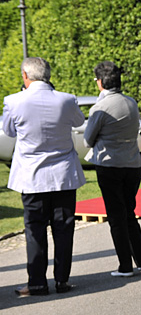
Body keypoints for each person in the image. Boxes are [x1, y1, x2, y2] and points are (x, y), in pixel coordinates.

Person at [3, 57, 86, 297]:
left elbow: (8, 131)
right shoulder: (66, 99)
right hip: (63, 176)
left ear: (24, 76)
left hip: (32, 177)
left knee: (35, 230)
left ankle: (37, 283)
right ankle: (62, 280)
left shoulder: (14, 101)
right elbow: (79, 122)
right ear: (48, 75)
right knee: (63, 229)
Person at [83, 61, 141, 278]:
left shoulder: (100, 108)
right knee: (129, 213)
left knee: (116, 216)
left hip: (109, 165)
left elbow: (87, 140)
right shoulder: (131, 102)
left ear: (101, 82)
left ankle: (125, 266)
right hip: (132, 164)